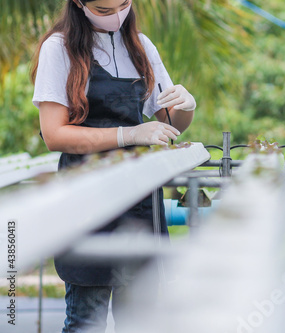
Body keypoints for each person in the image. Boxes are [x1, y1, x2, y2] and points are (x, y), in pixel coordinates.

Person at [31, 0, 196, 331]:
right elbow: (54, 135)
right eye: (104, 10)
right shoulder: (59, 48)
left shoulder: (140, 46)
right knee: (86, 319)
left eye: (122, 5)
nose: (116, 16)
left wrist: (186, 107)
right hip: (86, 199)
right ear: (79, 4)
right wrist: (129, 133)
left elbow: (168, 124)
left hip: (139, 200)